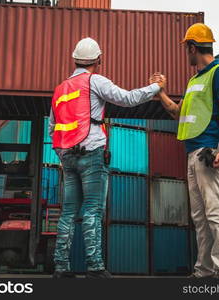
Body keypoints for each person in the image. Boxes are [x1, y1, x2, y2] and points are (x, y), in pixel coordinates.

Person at [49, 37, 166, 278]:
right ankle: (95, 267)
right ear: (98, 59)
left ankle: (61, 267)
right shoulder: (95, 81)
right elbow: (128, 99)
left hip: (67, 155)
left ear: (74, 59)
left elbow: (52, 126)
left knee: (69, 212)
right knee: (92, 210)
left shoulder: (60, 89)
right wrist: (156, 87)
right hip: (91, 153)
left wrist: (63, 153)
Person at [155, 23, 219, 278]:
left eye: (186, 48)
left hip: (210, 152)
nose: (186, 53)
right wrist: (160, 92)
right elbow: (177, 112)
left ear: (193, 47)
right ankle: (204, 272)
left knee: (216, 215)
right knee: (200, 219)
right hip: (193, 154)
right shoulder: (194, 80)